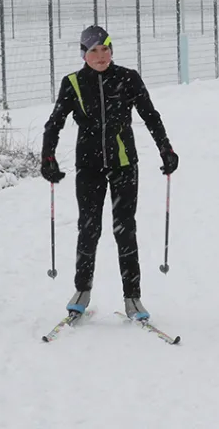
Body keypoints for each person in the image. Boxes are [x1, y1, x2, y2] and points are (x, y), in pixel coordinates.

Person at [40, 25, 179, 320]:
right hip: (88, 166)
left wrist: (165, 149)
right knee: (89, 229)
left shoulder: (127, 78)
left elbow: (150, 115)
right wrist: (48, 157)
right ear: (84, 54)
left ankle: (132, 296)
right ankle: (82, 291)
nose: (101, 56)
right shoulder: (73, 83)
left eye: (105, 49)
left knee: (125, 230)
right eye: (94, 51)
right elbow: (54, 123)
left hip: (124, 164)